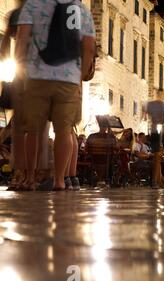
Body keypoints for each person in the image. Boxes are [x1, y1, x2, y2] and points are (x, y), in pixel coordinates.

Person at [15, 0, 96, 191]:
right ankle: (60, 180)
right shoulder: (82, 10)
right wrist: (80, 77)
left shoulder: (33, 4)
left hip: (38, 76)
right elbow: (89, 48)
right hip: (68, 78)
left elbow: (21, 39)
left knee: (33, 131)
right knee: (64, 130)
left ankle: (29, 178)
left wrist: (21, 72)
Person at [0, 2, 26, 191]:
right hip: (34, 74)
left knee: (19, 129)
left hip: (22, 74)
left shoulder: (17, 14)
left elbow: (4, 45)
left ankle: (22, 175)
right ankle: (27, 175)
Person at [145, 90, 164, 188]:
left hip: (159, 131)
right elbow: (145, 116)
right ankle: (157, 181)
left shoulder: (163, 106)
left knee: (157, 157)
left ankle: (159, 181)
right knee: (157, 157)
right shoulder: (154, 105)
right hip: (156, 131)